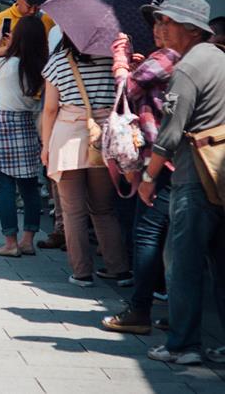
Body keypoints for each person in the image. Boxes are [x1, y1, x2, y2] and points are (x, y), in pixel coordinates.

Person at [134, 0, 225, 366]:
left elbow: (170, 134)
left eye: (167, 22)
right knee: (220, 263)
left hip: (196, 174)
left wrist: (147, 176)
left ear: (190, 29)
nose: (160, 28)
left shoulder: (187, 69)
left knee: (181, 261)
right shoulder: (219, 58)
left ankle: (183, 344)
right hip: (220, 170)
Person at [100, 26, 180, 335]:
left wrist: (120, 62)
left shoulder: (169, 57)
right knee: (176, 241)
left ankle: (140, 309)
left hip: (162, 161)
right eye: (155, 23)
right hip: (171, 160)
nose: (158, 29)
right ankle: (179, 312)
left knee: (147, 234)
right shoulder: (172, 58)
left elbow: (127, 90)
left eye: (164, 23)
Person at [41, 34, 129, 288]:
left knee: (73, 211)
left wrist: (46, 146)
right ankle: (119, 269)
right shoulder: (111, 62)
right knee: (103, 209)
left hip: (68, 136)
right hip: (102, 137)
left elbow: (49, 109)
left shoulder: (58, 61)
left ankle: (81, 273)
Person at [0, 16, 48, 257]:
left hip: (4, 123)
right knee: (29, 187)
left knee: (4, 185)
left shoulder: (7, 64)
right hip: (29, 123)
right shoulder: (42, 66)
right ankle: (28, 240)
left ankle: (10, 242)